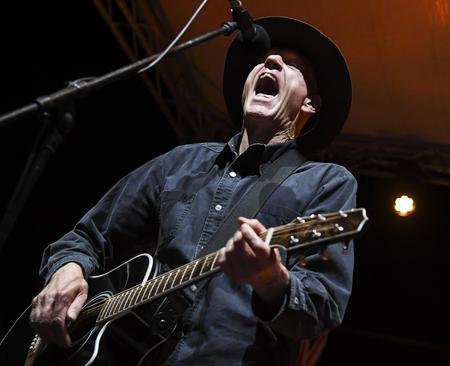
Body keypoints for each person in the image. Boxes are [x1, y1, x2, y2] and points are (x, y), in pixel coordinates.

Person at [29, 16, 356, 365]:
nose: (271, 62)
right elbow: (87, 237)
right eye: (265, 59)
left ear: (310, 104)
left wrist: (271, 279)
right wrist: (67, 271)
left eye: (292, 65)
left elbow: (321, 308)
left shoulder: (327, 183)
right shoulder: (183, 162)